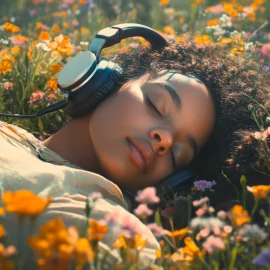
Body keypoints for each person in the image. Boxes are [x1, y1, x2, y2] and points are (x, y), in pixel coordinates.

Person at [0, 37, 269, 268]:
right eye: (155, 104)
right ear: (109, 82)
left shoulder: (117, 236)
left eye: (177, 154)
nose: (164, 139)